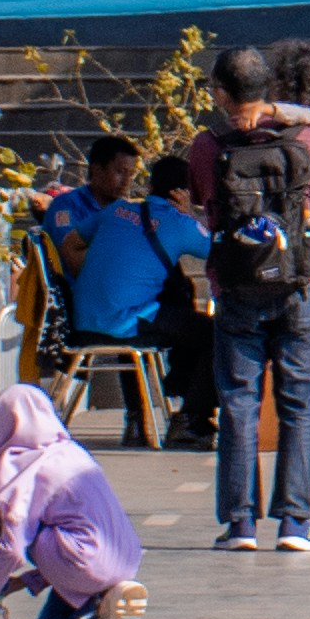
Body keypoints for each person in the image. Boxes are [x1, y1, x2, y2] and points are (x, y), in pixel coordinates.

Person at [168, 47, 310, 553]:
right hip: (299, 287)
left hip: (236, 291)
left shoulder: (208, 146)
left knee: (239, 403)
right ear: (265, 88)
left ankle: (240, 524)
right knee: (298, 406)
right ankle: (294, 523)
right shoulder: (304, 139)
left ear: (221, 94)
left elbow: (211, 211)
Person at [0, 376, 144, 619]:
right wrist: (24, 581)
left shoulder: (22, 469)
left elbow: (13, 549)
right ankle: (105, 605)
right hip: (122, 562)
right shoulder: (74, 454)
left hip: (81, 560)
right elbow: (83, 537)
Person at [34, 128, 217, 436]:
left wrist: (105, 278)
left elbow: (73, 244)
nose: (126, 181)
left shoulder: (117, 210)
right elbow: (218, 250)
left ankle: (158, 403)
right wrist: (185, 217)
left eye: (131, 175)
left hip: (91, 312)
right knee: (215, 333)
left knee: (177, 296)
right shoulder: (69, 207)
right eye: (120, 172)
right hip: (115, 318)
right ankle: (190, 417)